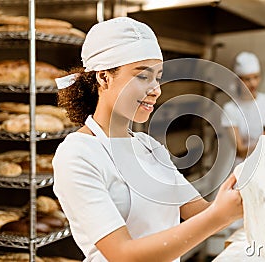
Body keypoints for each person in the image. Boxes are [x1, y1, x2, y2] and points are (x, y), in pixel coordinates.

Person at [52, 17, 243, 262]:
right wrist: (219, 216)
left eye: (158, 77)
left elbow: (199, 213)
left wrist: (245, 196)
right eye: (143, 76)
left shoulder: (149, 146)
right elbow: (122, 255)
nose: (156, 89)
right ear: (104, 78)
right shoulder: (78, 154)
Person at [221, 51, 265, 167]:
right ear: (238, 80)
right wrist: (264, 145)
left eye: (256, 77)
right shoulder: (231, 109)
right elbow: (239, 151)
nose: (253, 83)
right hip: (245, 168)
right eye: (247, 79)